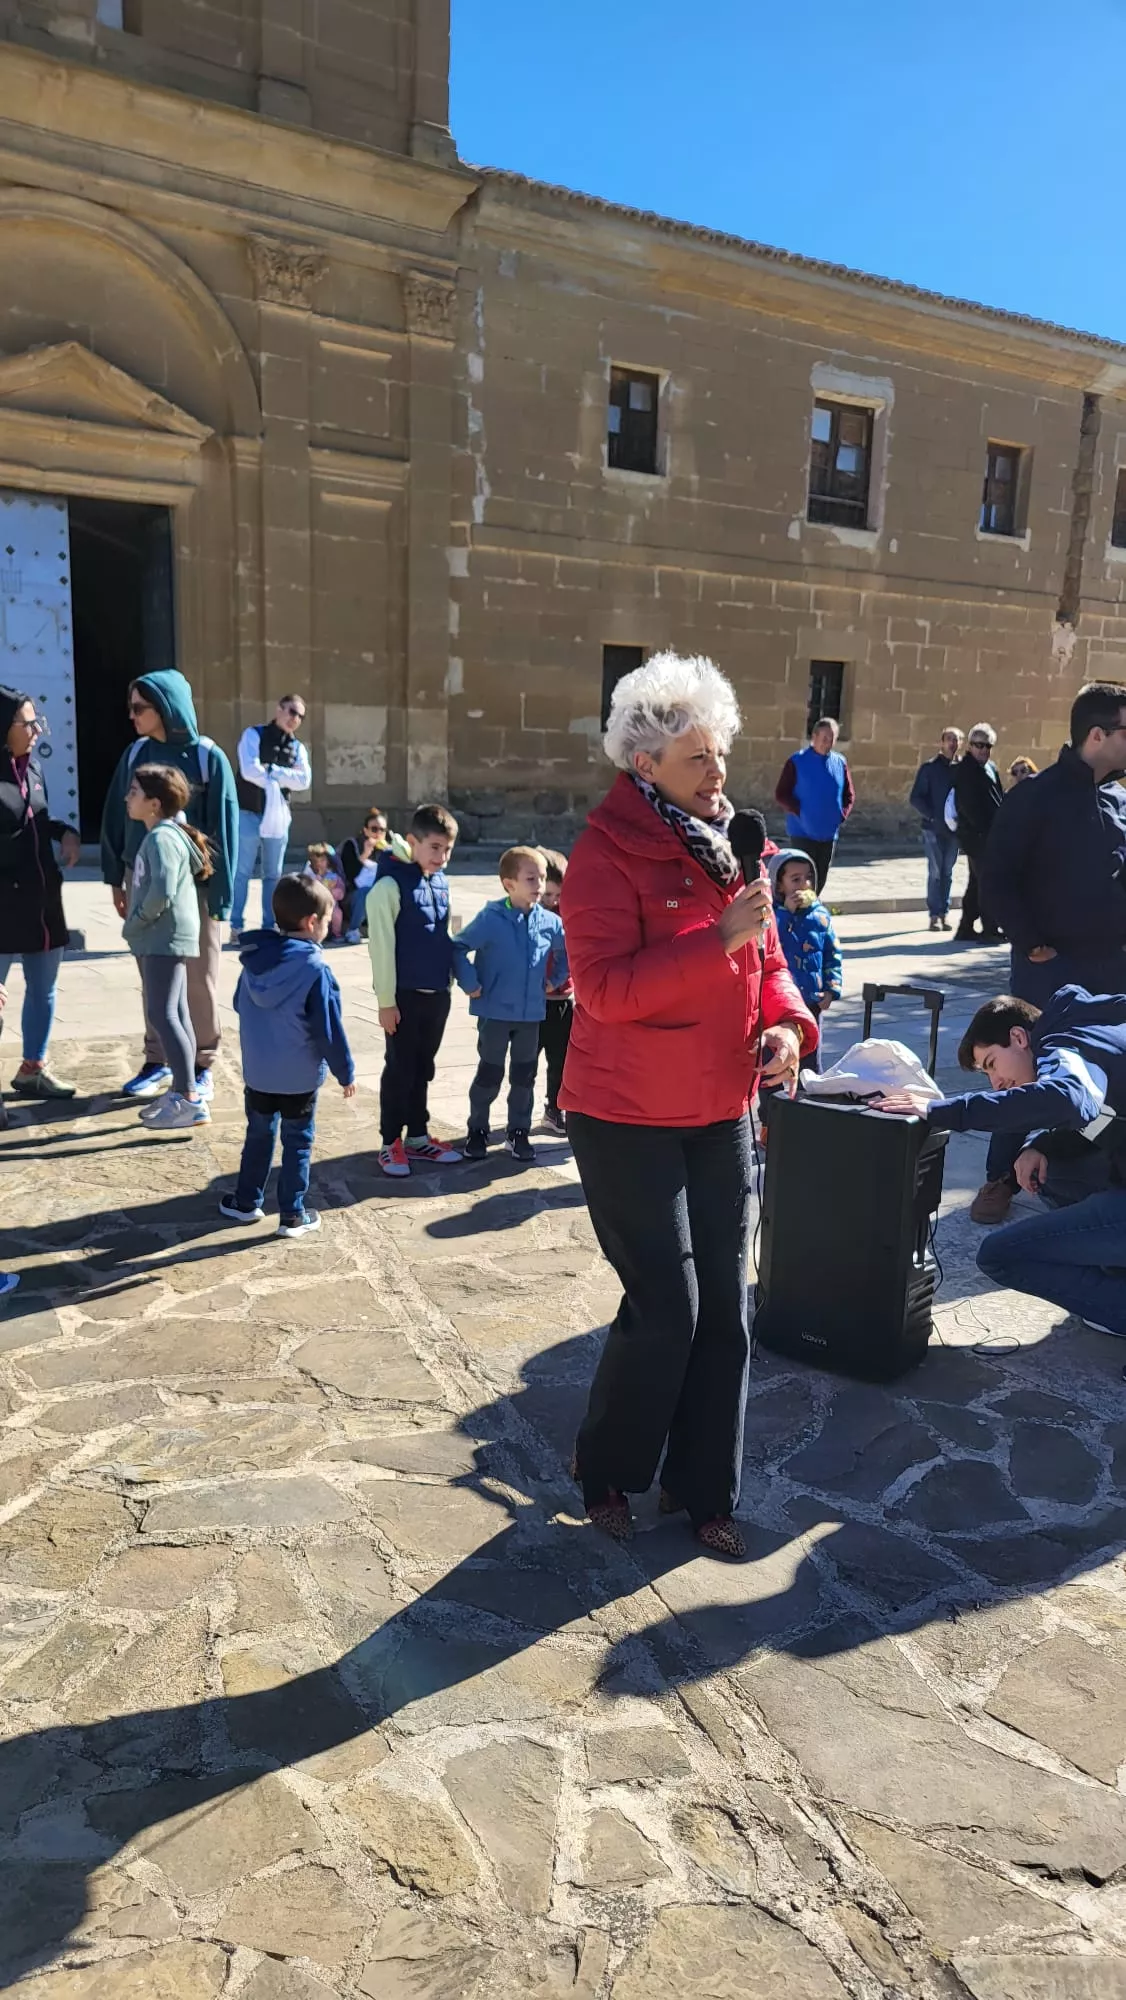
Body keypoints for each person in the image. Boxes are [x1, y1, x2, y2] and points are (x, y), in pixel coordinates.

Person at [560, 652, 817, 1558]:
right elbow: (600, 990)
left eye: (719, 752)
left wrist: (788, 1030)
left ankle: (704, 1488)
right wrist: (717, 939)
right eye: (697, 757)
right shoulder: (602, 854)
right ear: (645, 766)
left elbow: (771, 964)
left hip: (719, 1108)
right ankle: (607, 1469)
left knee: (727, 1312)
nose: (718, 772)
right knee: (667, 1305)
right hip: (624, 1114)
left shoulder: (730, 847)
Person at [875, 988, 1126, 1339]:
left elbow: (1068, 1097)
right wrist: (1042, 1144)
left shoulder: (1063, 1047)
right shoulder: (1092, 1034)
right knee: (1049, 1173)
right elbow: (1108, 1121)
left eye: (992, 1063)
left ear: (1019, 1037)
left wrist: (940, 1110)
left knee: (1000, 1255)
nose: (996, 1084)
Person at [969, 683, 1126, 1225]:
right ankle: (999, 1177)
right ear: (1098, 734)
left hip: (1113, 970)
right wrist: (1033, 942)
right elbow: (997, 879)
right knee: (1026, 1073)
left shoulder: (1119, 800)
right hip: (1050, 971)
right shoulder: (1035, 795)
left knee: (1105, 1079)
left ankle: (1094, 1181)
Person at [101, 670, 238, 1101]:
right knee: (154, 977)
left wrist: (221, 898)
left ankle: (202, 1063)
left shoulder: (208, 757)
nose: (132, 715)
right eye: (131, 707)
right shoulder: (135, 753)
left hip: (193, 891)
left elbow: (226, 831)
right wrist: (114, 877)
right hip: (141, 882)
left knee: (199, 979)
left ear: (165, 707)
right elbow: (114, 816)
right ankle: (157, 1059)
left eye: (139, 707)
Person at [222, 873, 356, 1237]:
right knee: (297, 1142)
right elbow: (328, 1030)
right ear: (312, 923)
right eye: (328, 920)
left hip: (259, 1074)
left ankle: (247, 1202)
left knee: (259, 1135)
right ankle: (293, 1214)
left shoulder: (254, 962)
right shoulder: (315, 970)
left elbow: (238, 1004)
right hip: (299, 1078)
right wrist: (346, 1072)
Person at [454, 846, 568, 1164]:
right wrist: (470, 983)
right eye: (531, 878)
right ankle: (477, 1129)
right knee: (489, 1073)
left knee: (524, 1076)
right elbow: (459, 947)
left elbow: (566, 952)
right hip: (494, 1013)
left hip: (531, 1015)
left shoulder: (550, 921)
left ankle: (518, 1132)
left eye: (542, 878)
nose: (539, 885)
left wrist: (554, 980)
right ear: (509, 884)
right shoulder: (492, 917)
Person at [367, 802, 463, 1177]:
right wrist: (386, 1002)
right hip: (403, 997)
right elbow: (381, 948)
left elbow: (447, 934)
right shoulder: (390, 884)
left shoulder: (440, 881)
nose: (442, 856)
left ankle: (418, 1136)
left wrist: (460, 977)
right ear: (412, 841)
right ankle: (390, 1141)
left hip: (437, 994)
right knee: (400, 1069)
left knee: (424, 1067)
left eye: (448, 849)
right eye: (435, 847)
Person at [0, 688, 81, 1108]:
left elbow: (39, 817)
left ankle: (33, 1068)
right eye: (27, 723)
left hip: (42, 897)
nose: (36, 730)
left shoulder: (33, 769)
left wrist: (64, 831)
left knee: (43, 988)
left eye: (37, 722)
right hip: (4, 904)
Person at [121, 764, 212, 1132]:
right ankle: (184, 1090)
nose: (128, 798)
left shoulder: (161, 838)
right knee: (176, 1013)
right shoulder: (165, 835)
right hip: (167, 937)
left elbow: (161, 891)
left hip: (163, 938)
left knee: (162, 1015)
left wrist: (136, 919)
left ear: (154, 804)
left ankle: (188, 1097)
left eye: (134, 792)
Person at [230, 695, 311, 937]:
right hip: (248, 813)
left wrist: (273, 771)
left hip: (277, 817)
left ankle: (270, 925)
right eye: (291, 712)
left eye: (300, 716)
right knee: (242, 872)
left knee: (273, 874)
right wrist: (284, 775)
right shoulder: (253, 735)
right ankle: (236, 925)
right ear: (279, 709)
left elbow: (304, 780)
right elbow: (249, 770)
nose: (295, 719)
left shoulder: (298, 747)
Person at [766, 849, 842, 1071]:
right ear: (779, 885)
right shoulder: (771, 914)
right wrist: (787, 914)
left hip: (811, 998)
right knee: (775, 1056)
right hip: (780, 1001)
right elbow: (770, 941)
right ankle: (772, 1101)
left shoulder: (819, 915)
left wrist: (831, 989)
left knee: (810, 1057)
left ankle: (807, 1097)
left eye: (808, 877)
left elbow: (832, 952)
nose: (804, 884)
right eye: (795, 879)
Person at [773, 715, 854, 890]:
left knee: (820, 879)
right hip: (803, 832)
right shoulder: (797, 761)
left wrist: (840, 815)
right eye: (825, 738)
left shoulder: (840, 762)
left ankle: (813, 913)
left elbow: (849, 794)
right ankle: (798, 912)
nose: (828, 742)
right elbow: (781, 794)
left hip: (829, 833)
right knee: (803, 879)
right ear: (814, 737)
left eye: (832, 738)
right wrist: (800, 811)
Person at [950, 723, 1004, 945]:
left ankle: (965, 927)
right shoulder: (967, 770)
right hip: (978, 836)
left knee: (976, 883)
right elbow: (970, 806)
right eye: (978, 745)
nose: (983, 750)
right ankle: (989, 928)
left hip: (990, 834)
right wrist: (987, 831)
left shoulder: (990, 768)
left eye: (987, 745)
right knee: (987, 882)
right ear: (970, 746)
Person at [909, 726, 963, 932]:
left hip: (953, 831)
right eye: (949, 739)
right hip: (932, 829)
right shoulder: (929, 768)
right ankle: (933, 915)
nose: (953, 743)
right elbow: (916, 797)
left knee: (947, 872)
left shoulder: (961, 769)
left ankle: (944, 914)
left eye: (957, 740)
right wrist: (932, 815)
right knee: (935, 872)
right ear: (942, 742)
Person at [538, 848, 573, 1136]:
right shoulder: (531, 914)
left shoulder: (569, 915)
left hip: (562, 1000)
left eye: (557, 896)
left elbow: (574, 955)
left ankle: (554, 1108)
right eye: (546, 896)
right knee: (524, 1063)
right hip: (533, 1002)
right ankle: (518, 1116)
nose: (552, 902)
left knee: (560, 1061)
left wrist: (559, 979)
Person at [339, 807, 410, 944]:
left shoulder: (388, 850)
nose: (378, 834)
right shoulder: (352, 845)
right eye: (374, 829)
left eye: (382, 830)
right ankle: (353, 929)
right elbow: (349, 875)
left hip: (380, 898)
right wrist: (365, 854)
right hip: (355, 898)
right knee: (366, 892)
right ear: (365, 830)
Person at [304, 844, 346, 939]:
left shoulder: (333, 876)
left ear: (328, 862)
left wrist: (336, 892)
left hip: (332, 905)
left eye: (322, 861)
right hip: (315, 906)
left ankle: (336, 934)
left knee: (337, 914)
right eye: (316, 862)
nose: (319, 864)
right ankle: (315, 935)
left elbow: (341, 890)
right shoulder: (310, 876)